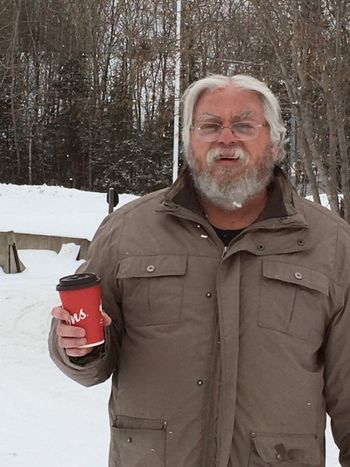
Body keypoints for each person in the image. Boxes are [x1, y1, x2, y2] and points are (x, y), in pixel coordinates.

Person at [49, 74, 350, 467]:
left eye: (244, 124)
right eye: (210, 125)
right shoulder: (127, 231)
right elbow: (91, 359)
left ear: (274, 140)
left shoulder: (332, 243)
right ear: (190, 139)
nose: (227, 139)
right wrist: (77, 348)